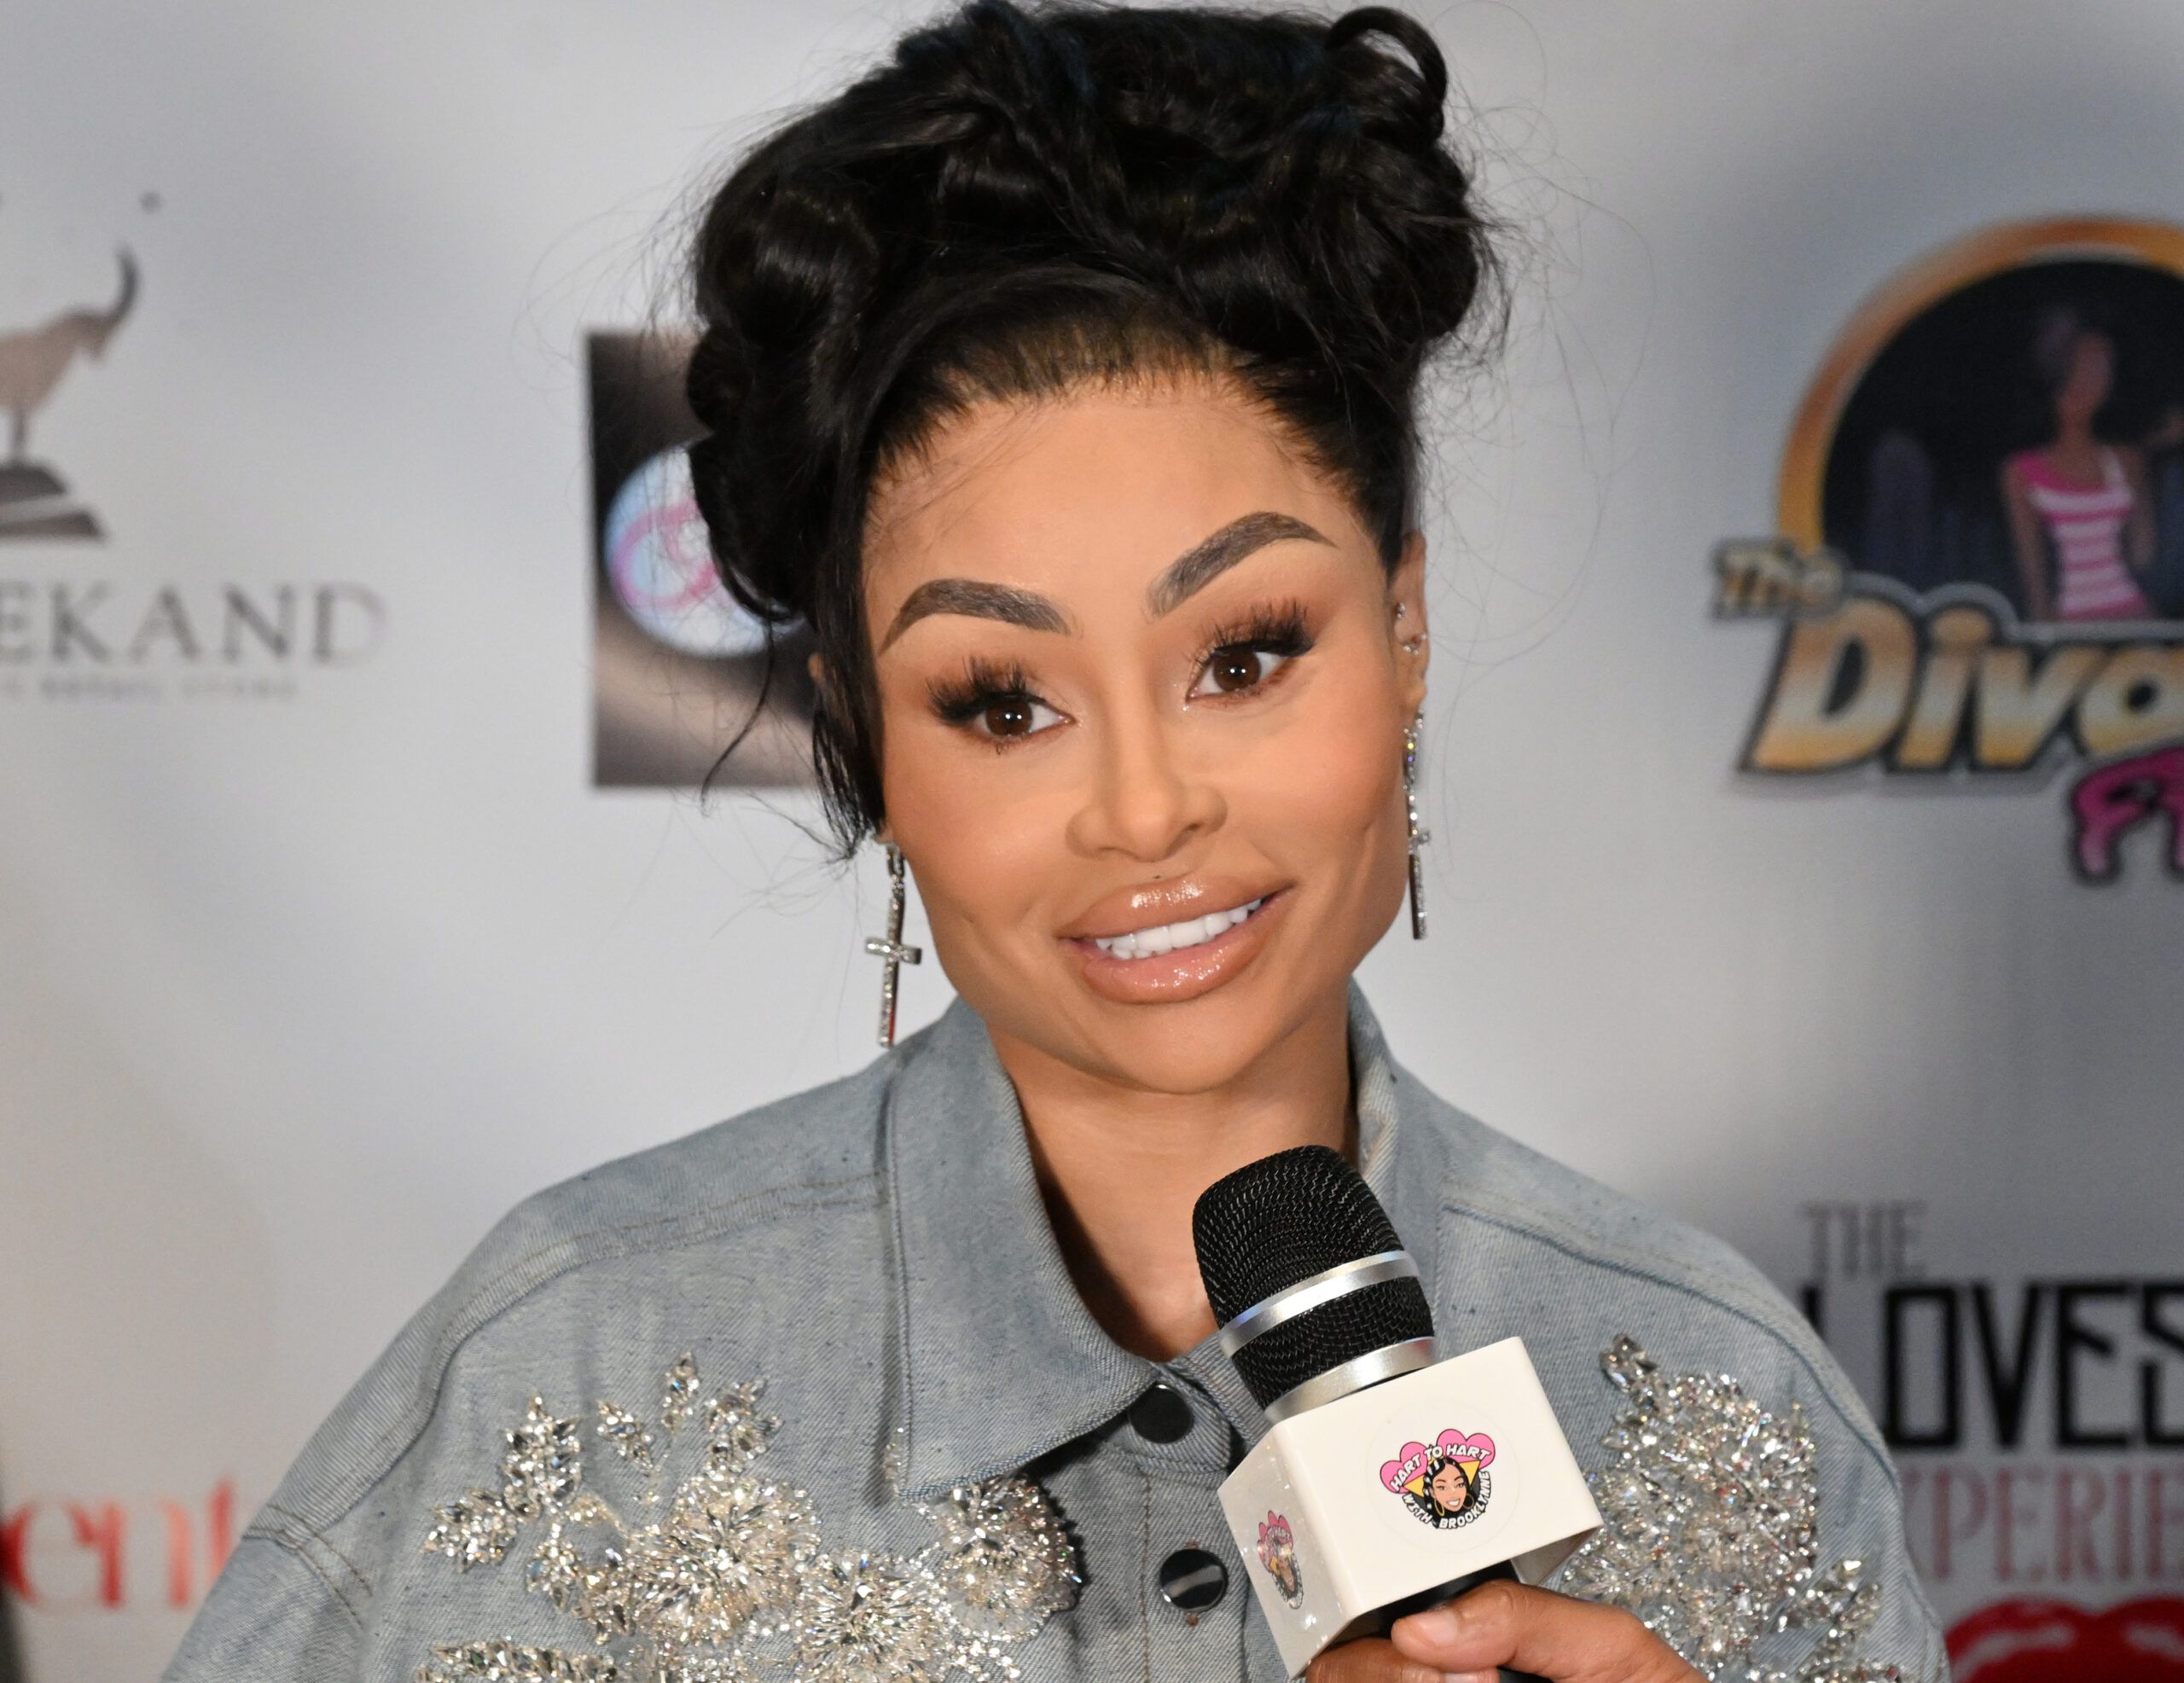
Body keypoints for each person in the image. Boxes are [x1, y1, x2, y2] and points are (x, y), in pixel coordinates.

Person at [165, 5, 1944, 1680]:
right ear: (861, 733)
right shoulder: (580, 1363)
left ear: (1403, 627)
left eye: (1243, 654)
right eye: (1002, 700)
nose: (1146, 807)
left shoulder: (1708, 1387)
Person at [2002, 310, 2158, 623]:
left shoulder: (2126, 461)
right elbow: (2034, 582)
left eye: (2102, 367)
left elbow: (2146, 558)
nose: (2092, 380)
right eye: (2083, 366)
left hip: (2135, 621)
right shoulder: (2022, 471)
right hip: (2071, 629)